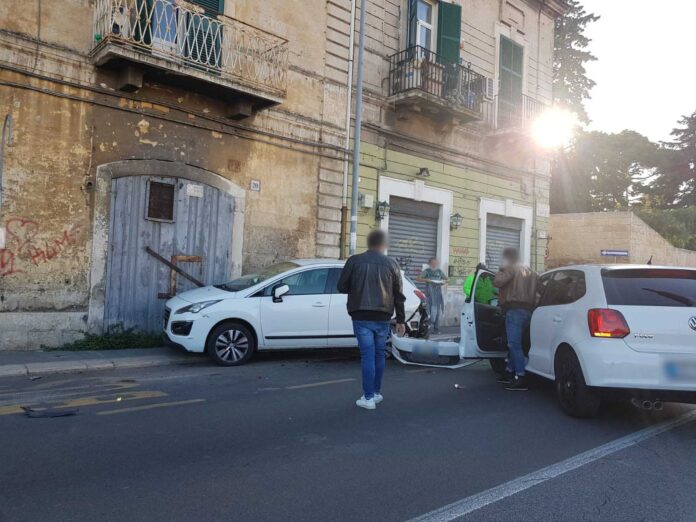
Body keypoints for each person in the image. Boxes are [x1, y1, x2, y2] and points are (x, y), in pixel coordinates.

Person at [337, 230, 406, 410]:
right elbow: (399, 295)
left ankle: (368, 398)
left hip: (360, 314)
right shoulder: (392, 264)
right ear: (383, 244)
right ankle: (375, 393)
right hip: (383, 315)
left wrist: (356, 285)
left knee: (367, 355)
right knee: (378, 354)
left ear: (368, 243)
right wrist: (401, 320)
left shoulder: (354, 260)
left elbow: (341, 286)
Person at [493, 248, 539, 391]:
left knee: (514, 345)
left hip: (514, 310)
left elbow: (497, 282)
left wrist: (501, 270)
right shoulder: (531, 271)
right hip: (529, 311)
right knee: (516, 344)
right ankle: (508, 372)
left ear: (508, 258)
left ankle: (520, 377)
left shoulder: (510, 268)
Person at [417, 258, 448, 334]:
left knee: (437, 312)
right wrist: (427, 280)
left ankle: (436, 329)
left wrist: (444, 282)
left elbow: (447, 279)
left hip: (438, 295)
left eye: (436, 263)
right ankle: (427, 329)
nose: (434, 264)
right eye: (433, 263)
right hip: (429, 295)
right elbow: (418, 278)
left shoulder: (439, 271)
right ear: (429, 264)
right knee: (429, 312)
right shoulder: (427, 271)